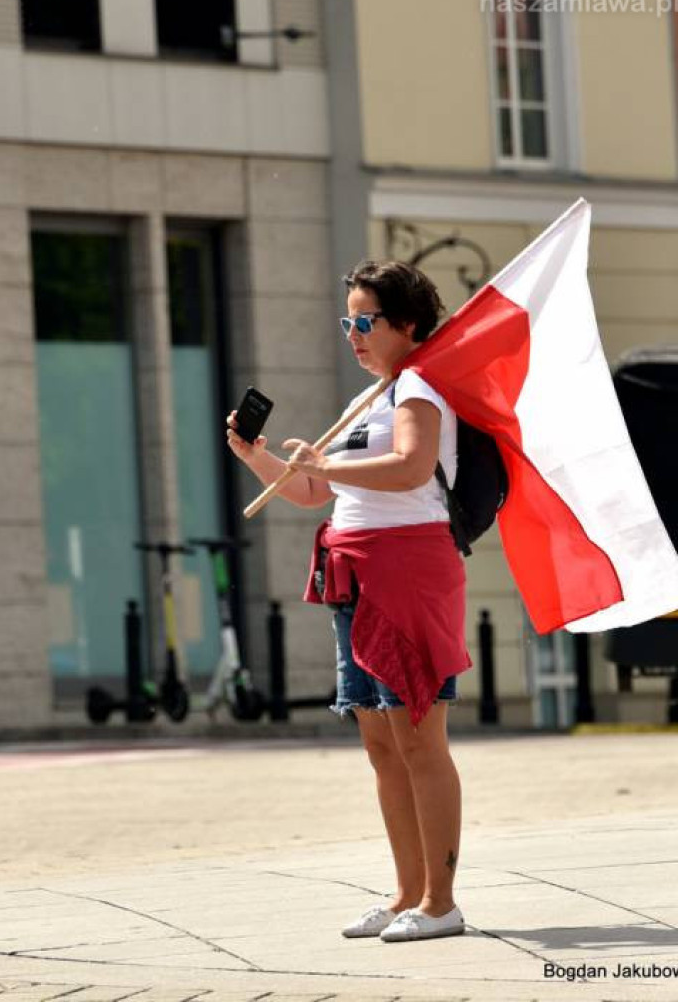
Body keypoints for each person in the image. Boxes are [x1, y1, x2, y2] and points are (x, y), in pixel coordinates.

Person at [226, 260, 472, 944]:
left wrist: (325, 465)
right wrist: (260, 458)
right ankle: (407, 893)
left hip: (408, 572)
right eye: (348, 322)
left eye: (367, 322)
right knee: (381, 744)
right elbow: (313, 492)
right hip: (353, 574)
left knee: (419, 736)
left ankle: (441, 902)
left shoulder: (420, 387)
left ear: (408, 326)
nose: (353, 335)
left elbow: (413, 468)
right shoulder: (371, 398)